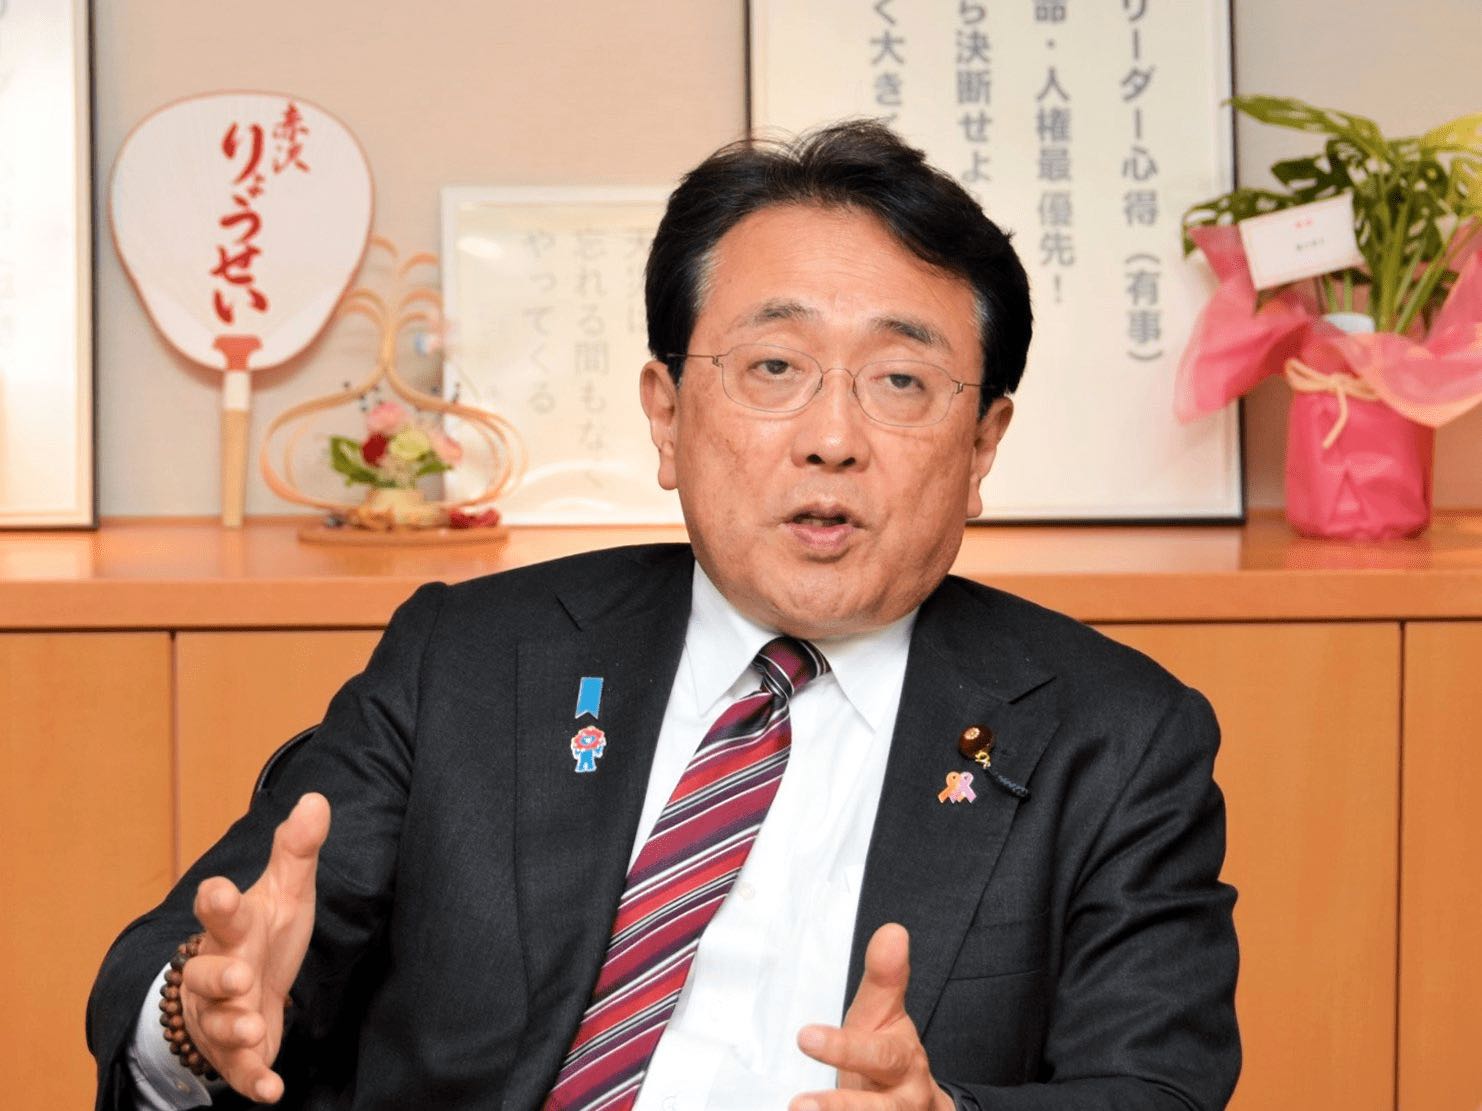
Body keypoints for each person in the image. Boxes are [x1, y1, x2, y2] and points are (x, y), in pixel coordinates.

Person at [88, 121, 1239, 1110]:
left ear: (982, 444)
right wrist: (197, 1012)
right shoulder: (471, 660)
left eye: (900, 381)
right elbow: (206, 955)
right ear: (666, 413)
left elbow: (1154, 1086)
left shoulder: (1118, 739)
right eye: (775, 366)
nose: (831, 437)